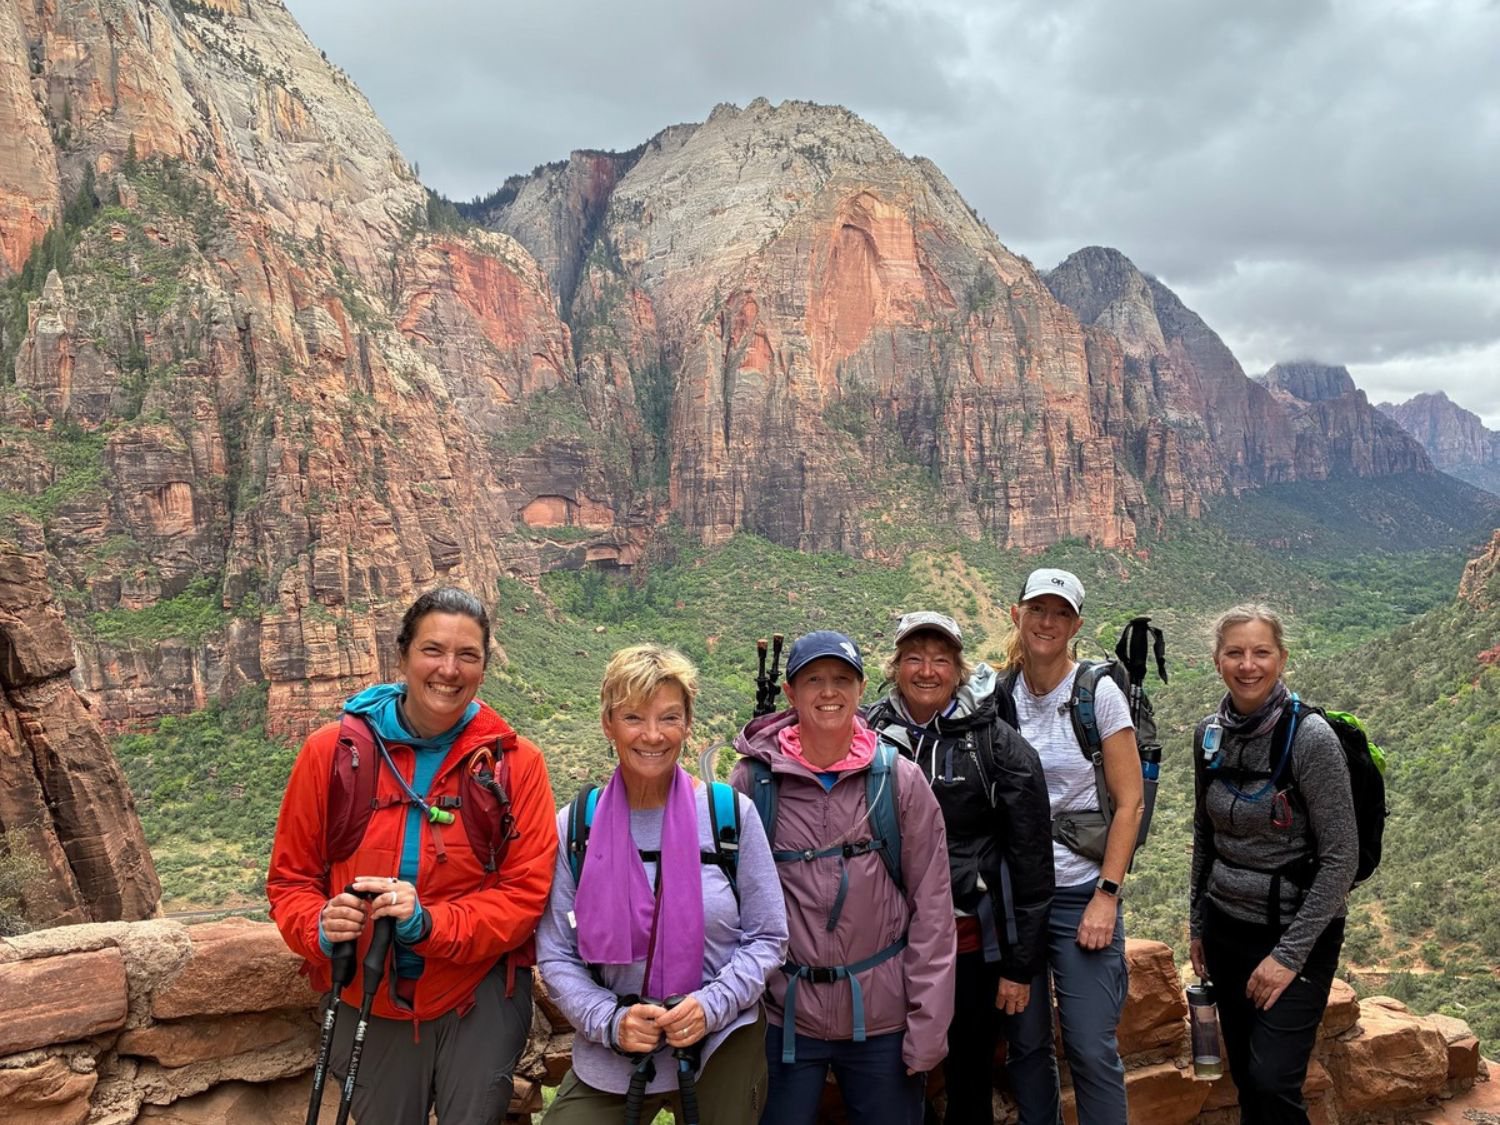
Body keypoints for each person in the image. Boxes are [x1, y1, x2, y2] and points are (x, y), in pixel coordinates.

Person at [267, 587, 557, 1123]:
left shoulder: (515, 766)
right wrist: (322, 927)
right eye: (433, 650)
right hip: (366, 995)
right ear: (401, 655)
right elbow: (290, 882)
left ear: (484, 667)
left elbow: (524, 896)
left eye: (467, 655)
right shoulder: (331, 754)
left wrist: (429, 924)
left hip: (475, 993)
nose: (448, 669)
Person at [537, 643, 788, 1124]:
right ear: (608, 724)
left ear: (687, 724)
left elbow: (768, 936)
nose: (652, 735)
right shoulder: (576, 827)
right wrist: (610, 1021)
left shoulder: (728, 817)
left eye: (669, 718)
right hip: (616, 1047)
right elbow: (556, 952)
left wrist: (709, 1007)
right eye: (633, 718)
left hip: (720, 1037)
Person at [732, 630, 956, 1125]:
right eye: (814, 680)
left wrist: (927, 1026)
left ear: (860, 691)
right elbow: (730, 908)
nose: (828, 692)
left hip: (883, 1020)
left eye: (841, 680)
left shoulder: (898, 781)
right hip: (785, 1019)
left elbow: (933, 911)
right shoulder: (754, 782)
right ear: (791, 694)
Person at [865, 611, 1054, 1125]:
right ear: (895, 667)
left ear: (958, 669)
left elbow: (1032, 862)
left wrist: (1019, 968)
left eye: (940, 660)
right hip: (887, 948)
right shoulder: (868, 736)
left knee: (970, 1071)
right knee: (893, 1074)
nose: (927, 671)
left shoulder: (996, 744)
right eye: (914, 659)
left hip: (972, 944)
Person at [1189, 605, 1357, 1125]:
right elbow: (1204, 835)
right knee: (1245, 1079)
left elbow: (1340, 858)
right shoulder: (1209, 736)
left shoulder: (1310, 739)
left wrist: (1287, 956)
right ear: (1218, 661)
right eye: (1235, 652)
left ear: (1281, 659)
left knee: (1273, 1080)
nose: (1248, 665)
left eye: (1261, 652)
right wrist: (1197, 923)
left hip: (1297, 934)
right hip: (1226, 929)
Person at [998, 569, 1143, 1125]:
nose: (1048, 622)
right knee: (1027, 1046)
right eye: (1038, 609)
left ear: (1076, 624)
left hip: (1081, 894)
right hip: (1018, 899)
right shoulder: (999, 693)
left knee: (1089, 1046)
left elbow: (1129, 803)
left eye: (1061, 613)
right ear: (1018, 614)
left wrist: (1107, 895)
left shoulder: (1097, 694)